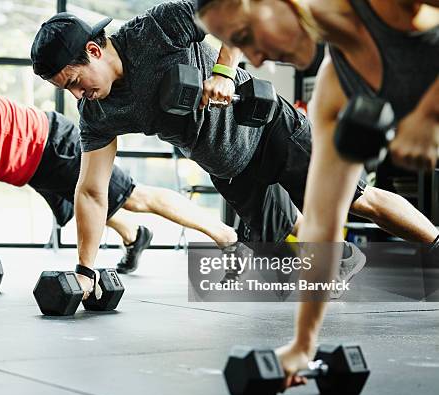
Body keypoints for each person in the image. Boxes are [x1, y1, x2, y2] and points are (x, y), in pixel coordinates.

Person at [30, 0, 438, 300]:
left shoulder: (155, 30)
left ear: (95, 51)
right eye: (67, 90)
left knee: (359, 201)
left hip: (270, 132)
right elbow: (91, 190)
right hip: (228, 168)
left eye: (75, 82)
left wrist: (224, 71)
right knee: (281, 249)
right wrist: (85, 270)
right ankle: (341, 258)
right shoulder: (98, 113)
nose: (78, 94)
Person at [196, 0, 439, 390]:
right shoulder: (335, 86)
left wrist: (428, 112)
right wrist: (303, 345)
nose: (255, 60)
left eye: (245, 38)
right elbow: (324, 220)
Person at [0, 68, 240, 280]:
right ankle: (136, 236)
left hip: (50, 145)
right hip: (33, 166)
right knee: (91, 203)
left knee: (133, 195)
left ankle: (225, 236)